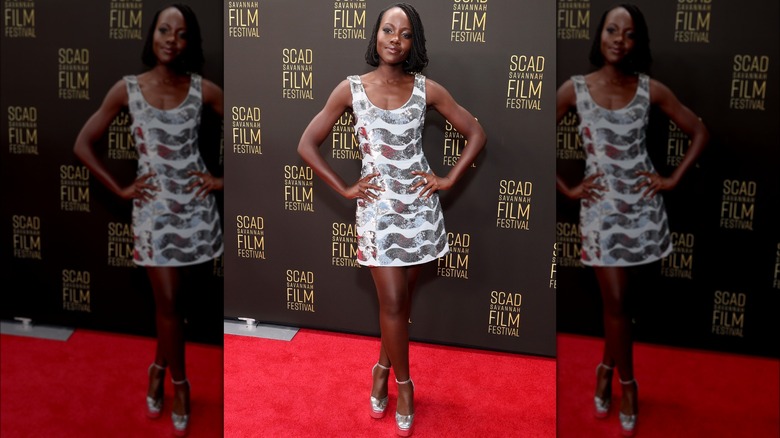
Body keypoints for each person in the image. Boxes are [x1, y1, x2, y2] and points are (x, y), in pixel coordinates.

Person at [298, 3, 486, 436]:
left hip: (419, 211)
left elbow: (476, 133)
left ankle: (381, 370)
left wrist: (447, 180)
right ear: (376, 35)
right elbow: (306, 144)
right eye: (388, 29)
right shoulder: (350, 89)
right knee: (395, 302)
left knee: (398, 307)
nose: (394, 39)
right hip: (378, 213)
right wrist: (346, 188)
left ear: (413, 43)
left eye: (404, 34)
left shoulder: (427, 90)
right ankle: (405, 386)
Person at [555, 4, 708, 436]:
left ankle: (605, 369)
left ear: (637, 42)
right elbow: (534, 134)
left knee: (620, 308)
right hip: (600, 213)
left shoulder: (650, 90)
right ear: (599, 36)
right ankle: (628, 385)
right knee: (619, 302)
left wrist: (671, 179)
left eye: (628, 33)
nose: (619, 40)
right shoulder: (574, 89)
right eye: (612, 30)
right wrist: (567, 188)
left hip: (643, 212)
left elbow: (699, 131)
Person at [73, 4, 223, 436]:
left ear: (190, 42)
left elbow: (254, 127)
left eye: (181, 33)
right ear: (152, 35)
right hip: (154, 213)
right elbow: (83, 144)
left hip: (196, 213)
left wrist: (221, 180)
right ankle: (181, 385)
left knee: (175, 308)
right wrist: (121, 190)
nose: (171, 39)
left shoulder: (203, 90)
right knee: (170, 304)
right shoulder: (127, 89)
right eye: (164, 30)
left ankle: (157, 369)